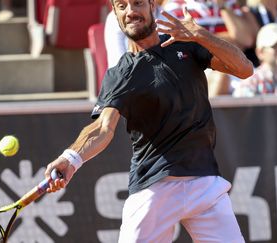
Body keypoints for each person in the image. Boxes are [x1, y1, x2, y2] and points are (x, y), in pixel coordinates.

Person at [44, 0, 253, 241]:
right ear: (115, 13)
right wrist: (70, 158)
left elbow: (244, 69)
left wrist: (201, 34)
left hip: (205, 182)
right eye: (122, 6)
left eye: (138, 3)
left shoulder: (185, 44)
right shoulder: (121, 74)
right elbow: (103, 128)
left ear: (152, 5)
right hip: (155, 187)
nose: (131, 11)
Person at [104, 0, 167, 67]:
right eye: (122, 6)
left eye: (138, 3)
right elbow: (117, 65)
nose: (130, 12)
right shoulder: (114, 20)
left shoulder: (167, 14)